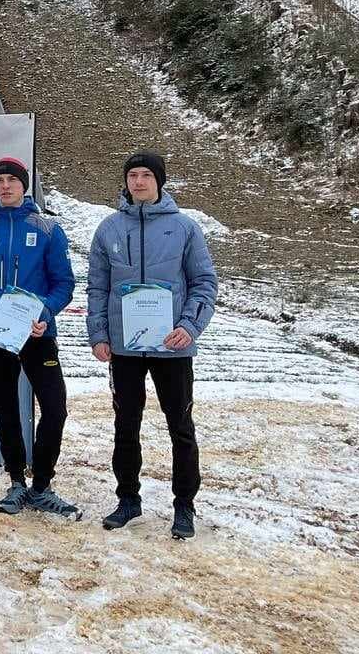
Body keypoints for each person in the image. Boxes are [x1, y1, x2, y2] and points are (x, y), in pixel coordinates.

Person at [87, 151, 218, 540]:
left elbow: (204, 283)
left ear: (159, 181)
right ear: (125, 181)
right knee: (125, 425)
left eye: (146, 175)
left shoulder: (184, 228)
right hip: (125, 349)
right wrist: (99, 334)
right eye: (133, 175)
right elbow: (97, 287)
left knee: (180, 426)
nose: (139, 181)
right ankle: (128, 499)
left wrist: (189, 327)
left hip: (172, 347)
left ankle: (184, 505)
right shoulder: (109, 229)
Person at [0, 157, 78, 519]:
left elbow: (64, 284)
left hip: (37, 335)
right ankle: (16, 482)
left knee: (55, 408)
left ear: (23, 185)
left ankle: (42, 485)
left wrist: (44, 313)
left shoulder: (47, 229)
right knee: (6, 412)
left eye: (12, 180)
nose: (5, 186)